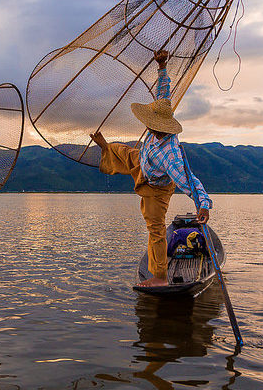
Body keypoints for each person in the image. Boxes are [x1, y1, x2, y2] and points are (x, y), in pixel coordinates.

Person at [90, 49, 212, 287]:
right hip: (143, 160)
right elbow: (163, 94)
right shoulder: (160, 121)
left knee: (155, 228)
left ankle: (160, 276)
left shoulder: (171, 156)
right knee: (120, 150)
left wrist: (203, 203)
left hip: (156, 184)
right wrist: (162, 66)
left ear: (158, 128)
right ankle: (107, 150)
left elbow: (188, 180)